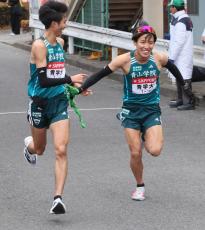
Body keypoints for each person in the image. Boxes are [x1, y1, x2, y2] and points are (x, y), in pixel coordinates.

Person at [71, 25, 194, 201]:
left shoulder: (159, 58)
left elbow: (173, 68)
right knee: (135, 152)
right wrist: (81, 88)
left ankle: (146, 136)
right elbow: (101, 74)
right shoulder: (124, 60)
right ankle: (140, 186)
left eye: (150, 42)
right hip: (131, 112)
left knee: (155, 150)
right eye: (143, 42)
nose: (147, 46)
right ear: (135, 43)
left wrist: (183, 85)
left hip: (151, 111)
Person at [23, 1, 87, 214]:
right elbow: (43, 80)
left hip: (59, 102)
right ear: (53, 23)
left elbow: (58, 74)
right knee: (40, 149)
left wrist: (74, 86)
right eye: (64, 20)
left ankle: (57, 198)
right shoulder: (39, 46)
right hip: (39, 104)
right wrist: (70, 78)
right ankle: (29, 146)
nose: (66, 23)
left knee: (61, 149)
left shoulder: (60, 42)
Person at [168, 0, 195, 110]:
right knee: (179, 76)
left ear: (175, 8)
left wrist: (172, 57)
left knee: (184, 77)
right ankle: (181, 99)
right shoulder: (181, 18)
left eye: (171, 7)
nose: (170, 9)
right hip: (182, 54)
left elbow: (179, 41)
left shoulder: (181, 21)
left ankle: (189, 102)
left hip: (182, 54)